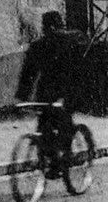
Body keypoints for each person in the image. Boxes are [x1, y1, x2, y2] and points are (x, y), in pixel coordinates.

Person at [15, 11, 84, 175]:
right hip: (62, 91)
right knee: (49, 126)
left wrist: (22, 97)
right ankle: (55, 160)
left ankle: (63, 159)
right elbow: (28, 71)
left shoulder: (40, 45)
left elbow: (28, 74)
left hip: (55, 92)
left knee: (59, 124)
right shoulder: (69, 40)